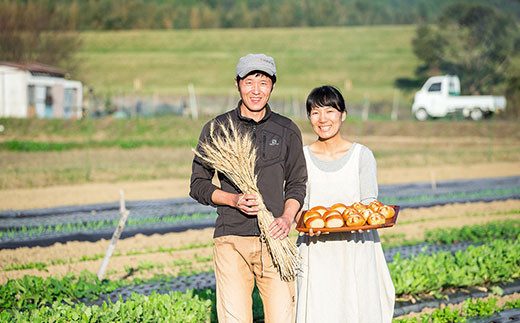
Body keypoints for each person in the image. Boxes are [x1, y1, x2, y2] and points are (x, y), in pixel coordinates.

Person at [190, 53, 307, 323]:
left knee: (283, 317)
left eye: (264, 82)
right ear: (237, 84)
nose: (256, 90)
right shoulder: (217, 129)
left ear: (273, 86)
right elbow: (197, 185)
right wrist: (233, 200)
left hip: (275, 239)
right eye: (250, 82)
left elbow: (297, 183)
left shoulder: (287, 129)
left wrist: (288, 217)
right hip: (231, 240)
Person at [295, 85, 395, 323]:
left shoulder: (362, 155)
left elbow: (369, 203)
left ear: (343, 114)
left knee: (357, 310)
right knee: (318, 310)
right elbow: (300, 205)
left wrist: (364, 219)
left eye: (330, 111)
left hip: (356, 248)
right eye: (315, 112)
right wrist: (305, 220)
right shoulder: (302, 157)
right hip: (315, 250)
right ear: (309, 117)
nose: (322, 119)